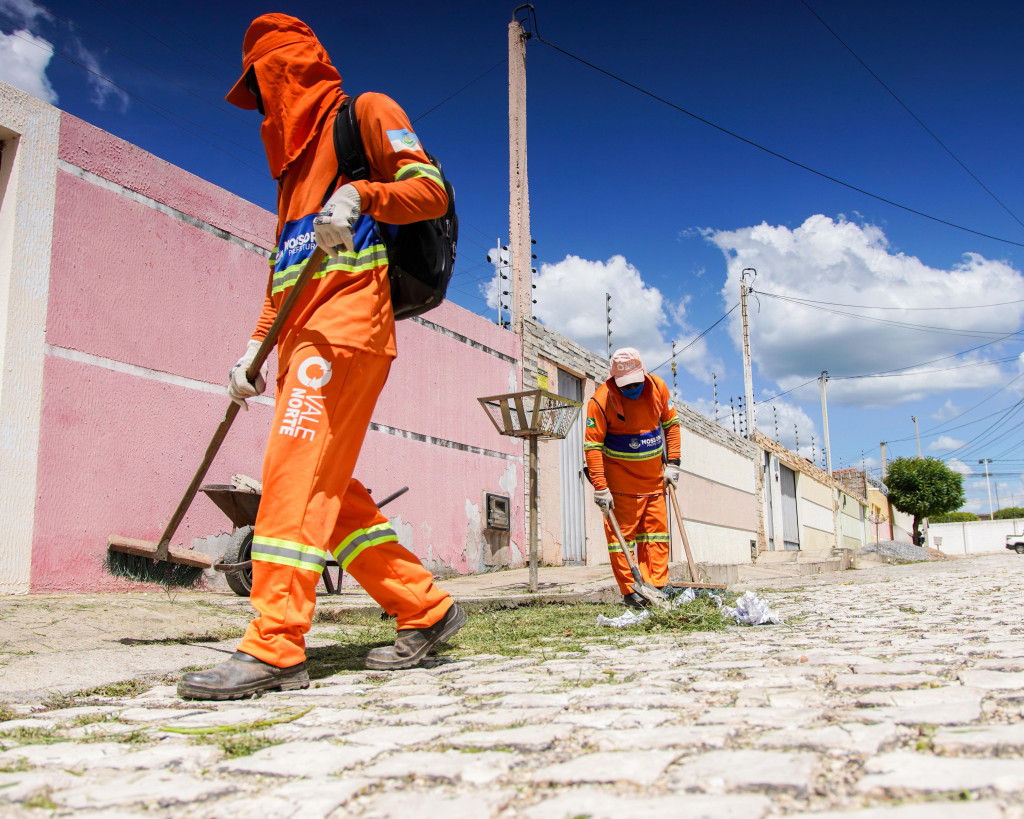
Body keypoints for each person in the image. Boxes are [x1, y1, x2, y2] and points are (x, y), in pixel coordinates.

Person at [178, 13, 465, 700]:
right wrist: (253, 349)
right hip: (301, 341)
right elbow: (283, 280)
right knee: (329, 497)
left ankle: (275, 644)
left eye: (264, 87)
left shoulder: (363, 115)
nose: (264, 108)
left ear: (286, 71)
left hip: (345, 331)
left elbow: (432, 192)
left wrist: (361, 193)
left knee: (292, 479)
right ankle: (424, 607)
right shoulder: (289, 181)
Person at [584, 347, 681, 608]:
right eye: (626, 386)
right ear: (614, 380)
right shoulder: (600, 401)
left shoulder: (658, 388)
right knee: (621, 541)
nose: (632, 389)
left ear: (644, 374)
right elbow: (592, 446)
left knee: (656, 535)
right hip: (621, 486)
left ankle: (657, 586)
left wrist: (673, 463)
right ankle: (632, 592)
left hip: (653, 482)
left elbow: (671, 425)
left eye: (636, 383)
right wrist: (601, 488)